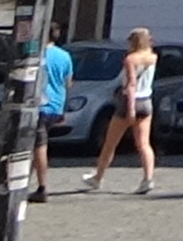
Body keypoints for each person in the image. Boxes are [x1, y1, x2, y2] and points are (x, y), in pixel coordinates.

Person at [86, 28, 159, 195]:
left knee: (110, 142)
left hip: (129, 101)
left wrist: (130, 109)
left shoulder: (130, 59)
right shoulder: (153, 57)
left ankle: (98, 177)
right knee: (144, 143)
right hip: (146, 100)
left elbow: (131, 84)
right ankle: (148, 179)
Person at [26, 21, 72, 202]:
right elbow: (68, 83)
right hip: (56, 105)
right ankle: (22, 183)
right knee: (33, 146)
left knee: (39, 146)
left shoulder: (36, 53)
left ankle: (42, 187)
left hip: (39, 104)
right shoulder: (65, 56)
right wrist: (63, 108)